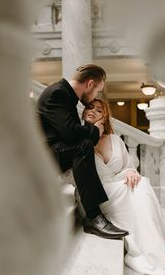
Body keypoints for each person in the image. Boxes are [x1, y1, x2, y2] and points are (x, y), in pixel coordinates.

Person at [81, 98, 165, 275]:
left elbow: (128, 166)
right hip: (100, 194)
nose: (93, 111)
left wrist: (131, 171)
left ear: (105, 116)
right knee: (143, 196)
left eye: (99, 110)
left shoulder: (115, 140)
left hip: (121, 186)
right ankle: (163, 263)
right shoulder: (80, 139)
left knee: (141, 185)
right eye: (90, 108)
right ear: (84, 113)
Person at [37, 64, 129, 240]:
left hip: (54, 153)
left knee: (84, 144)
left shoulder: (67, 95)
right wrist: (95, 131)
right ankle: (94, 216)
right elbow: (70, 132)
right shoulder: (59, 93)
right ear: (90, 83)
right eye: (97, 91)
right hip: (44, 158)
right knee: (85, 144)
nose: (96, 96)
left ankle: (94, 216)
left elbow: (69, 134)